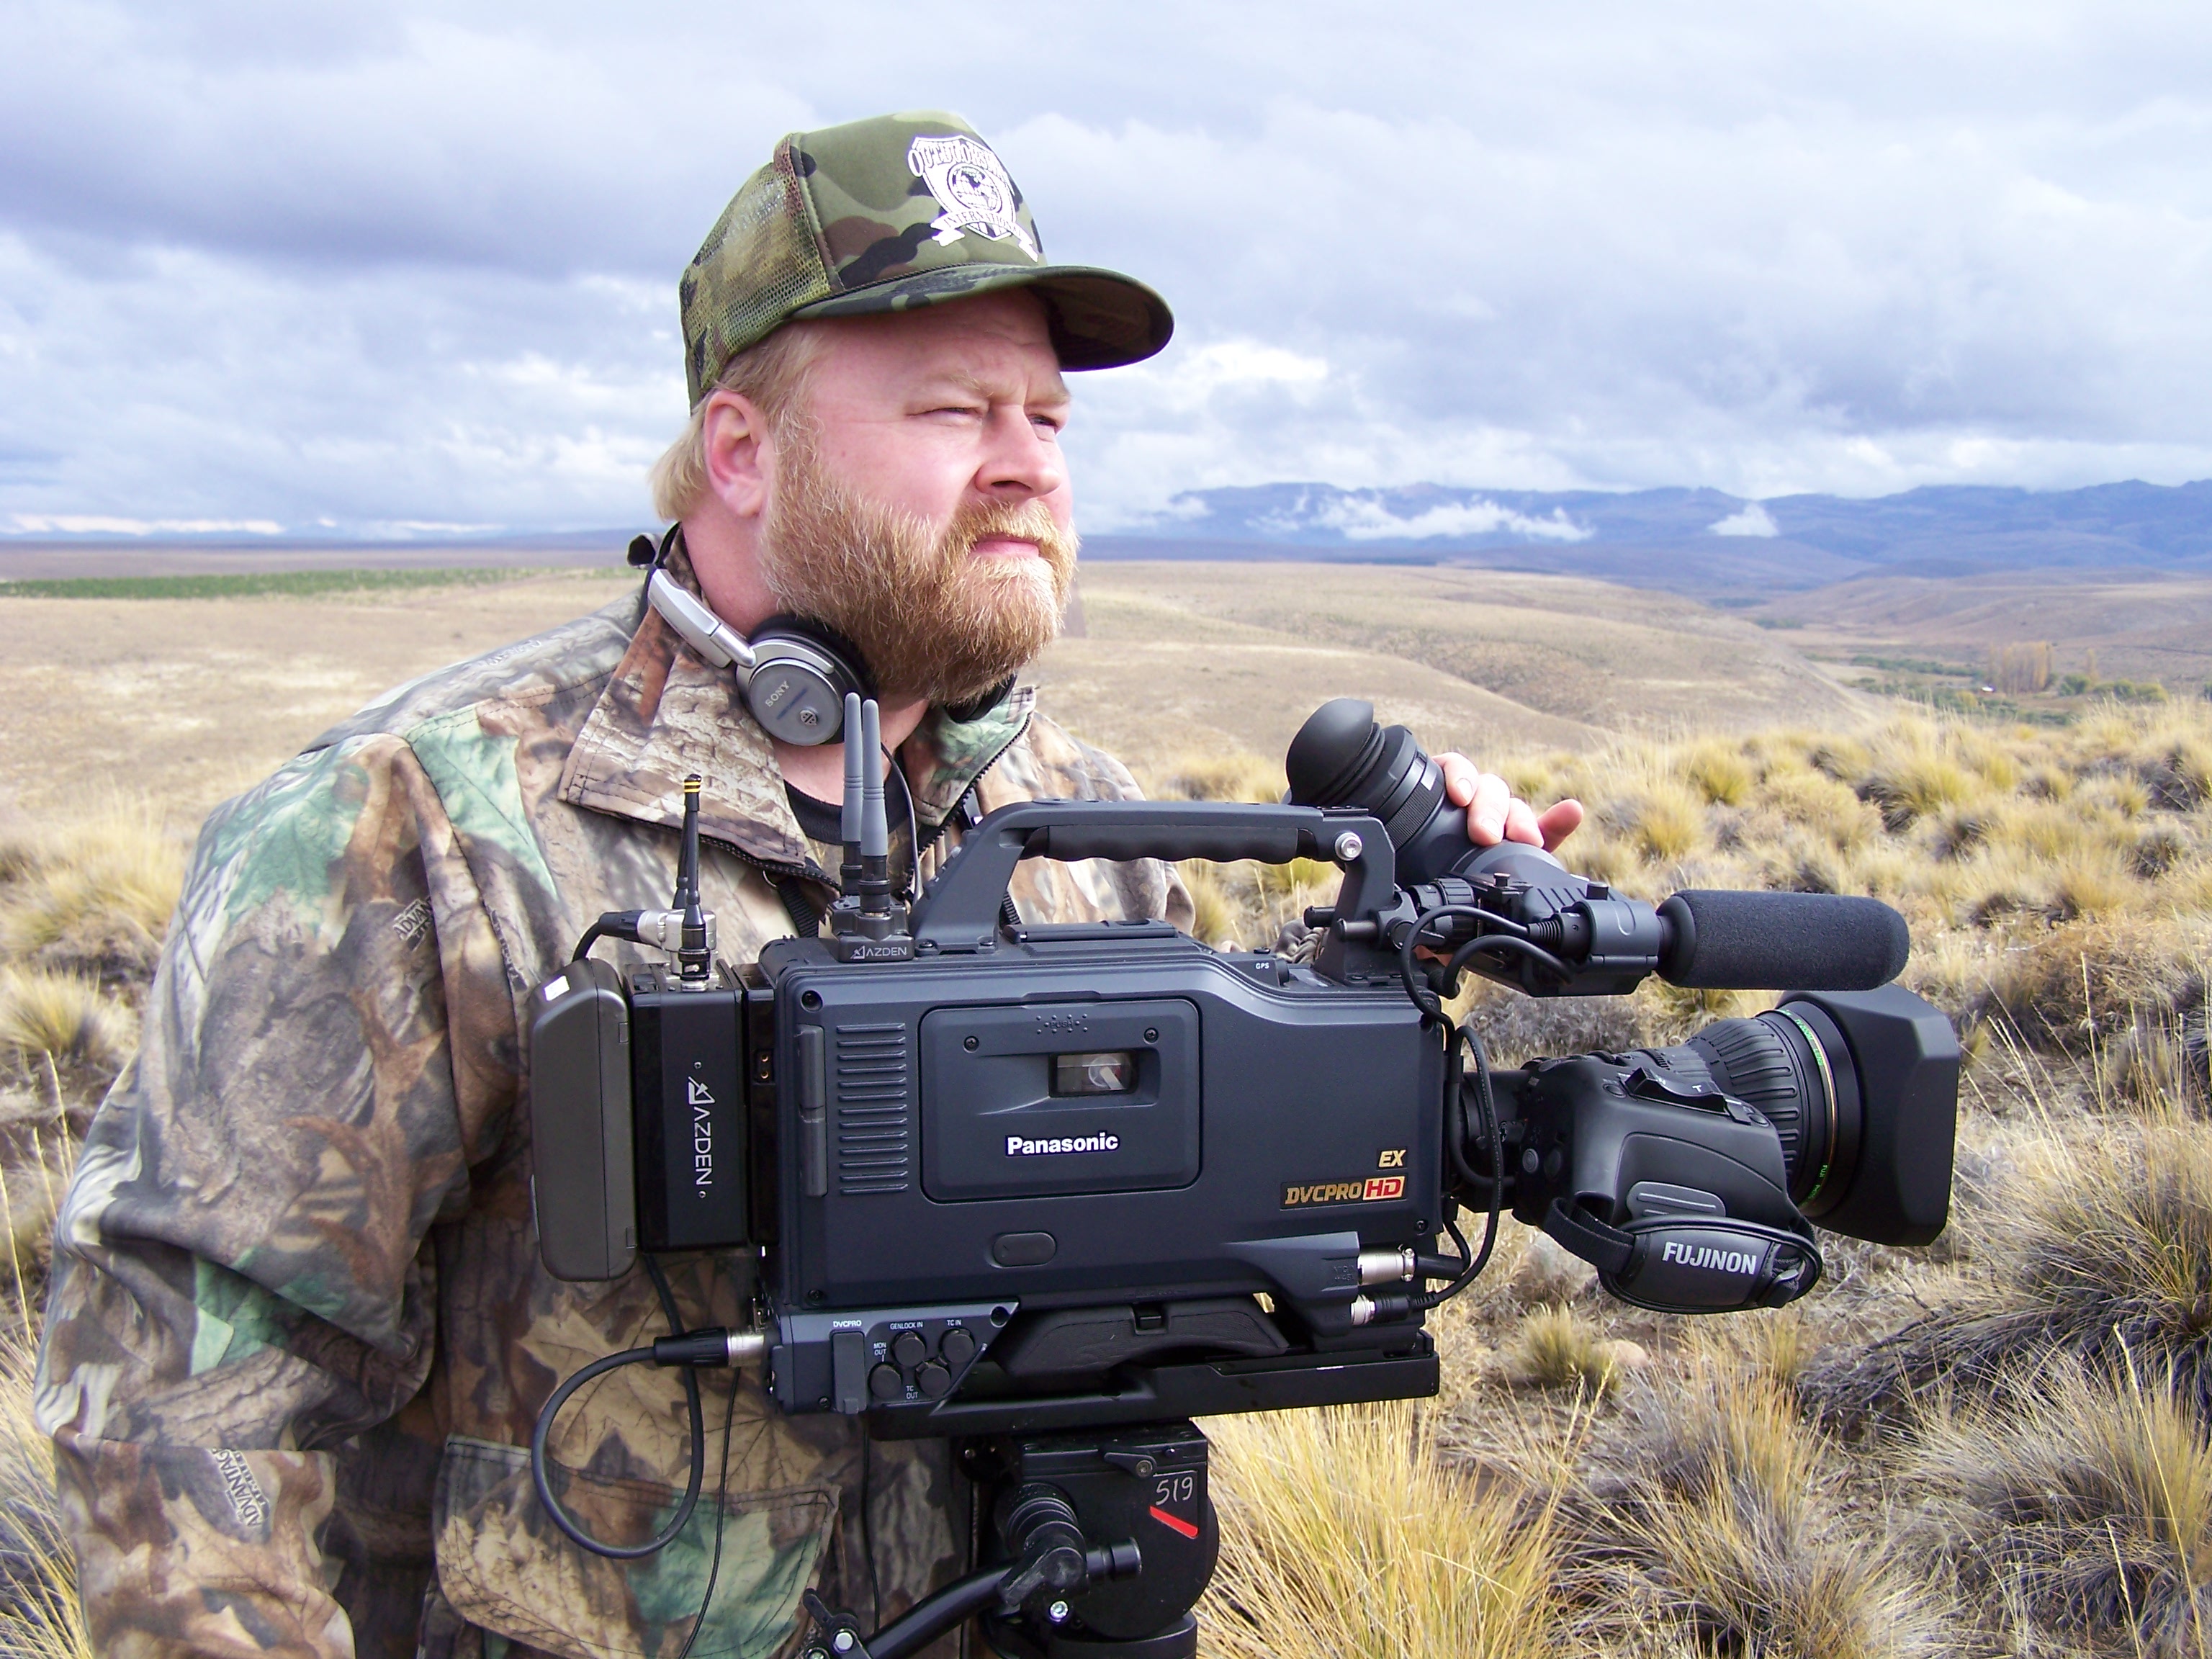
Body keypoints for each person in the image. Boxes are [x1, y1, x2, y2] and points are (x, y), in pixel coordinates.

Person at [35, 111, 1582, 1659]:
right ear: (740, 449)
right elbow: (185, 1408)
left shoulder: (1089, 829)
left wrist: (1411, 959)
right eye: (956, 407)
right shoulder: (413, 827)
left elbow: (1235, 1204)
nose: (1028, 461)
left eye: (1050, 415)